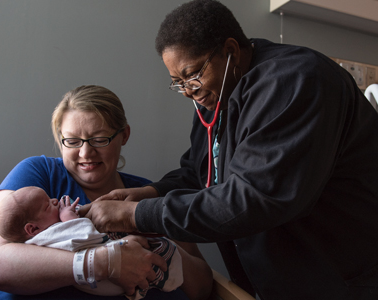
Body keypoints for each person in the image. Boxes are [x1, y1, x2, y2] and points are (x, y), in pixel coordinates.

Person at [78, 1, 378, 300]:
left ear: (230, 51)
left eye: (192, 74)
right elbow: (200, 173)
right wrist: (151, 192)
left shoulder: (296, 82)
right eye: (177, 83)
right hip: (278, 281)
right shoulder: (215, 98)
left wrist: (138, 215)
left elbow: (255, 197)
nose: (188, 91)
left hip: (342, 280)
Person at [0, 85, 213, 300]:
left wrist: (154, 240)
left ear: (124, 135)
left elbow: (203, 286)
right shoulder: (37, 174)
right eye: (72, 141)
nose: (85, 153)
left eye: (99, 139)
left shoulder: (148, 195)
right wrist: (106, 261)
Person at [0, 186, 184, 300]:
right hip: (104, 281)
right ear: (32, 229)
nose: (55, 201)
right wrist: (69, 217)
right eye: (47, 205)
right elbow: (84, 236)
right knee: (162, 250)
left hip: (103, 280)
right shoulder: (44, 239)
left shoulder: (39, 234)